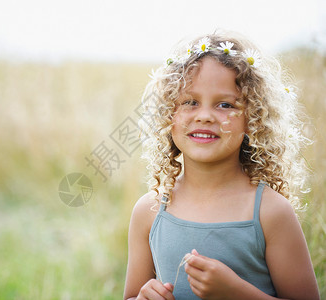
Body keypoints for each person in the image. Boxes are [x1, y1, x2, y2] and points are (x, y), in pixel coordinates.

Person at [123, 31, 320, 300]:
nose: (204, 116)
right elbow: (132, 295)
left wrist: (237, 292)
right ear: (169, 115)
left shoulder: (270, 212)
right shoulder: (150, 210)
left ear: (253, 120)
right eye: (190, 102)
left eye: (225, 104)